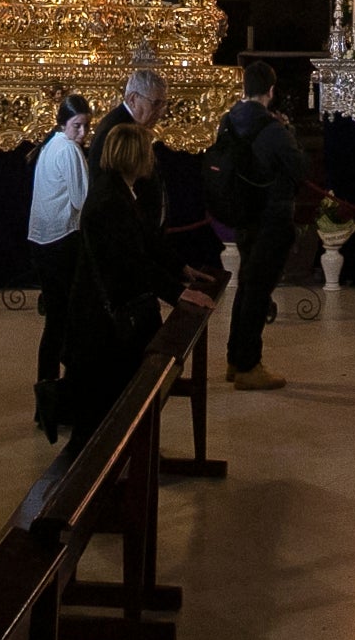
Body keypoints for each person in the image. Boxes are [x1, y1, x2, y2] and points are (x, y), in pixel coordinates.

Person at [61, 121, 218, 442]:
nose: (153, 160)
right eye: (147, 152)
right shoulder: (108, 201)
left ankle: (127, 459)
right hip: (102, 324)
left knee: (117, 400)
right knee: (102, 408)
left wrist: (182, 268)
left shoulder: (119, 190)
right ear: (134, 156)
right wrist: (179, 294)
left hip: (111, 315)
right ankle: (107, 474)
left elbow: (148, 241)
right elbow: (133, 263)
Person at [218, 61, 302, 391]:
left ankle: (234, 359)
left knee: (246, 285)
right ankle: (249, 365)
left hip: (242, 215)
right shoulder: (272, 129)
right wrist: (288, 131)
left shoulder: (229, 120)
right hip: (271, 217)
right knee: (258, 290)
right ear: (271, 90)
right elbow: (299, 169)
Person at [29, 91, 94, 440]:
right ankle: (57, 398)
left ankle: (49, 399)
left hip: (42, 241)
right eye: (77, 126)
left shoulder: (52, 144)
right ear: (63, 123)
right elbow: (82, 200)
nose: (82, 133)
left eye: (86, 126)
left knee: (56, 323)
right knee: (65, 323)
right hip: (61, 242)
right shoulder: (67, 150)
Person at [91, 69, 171, 226]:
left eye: (163, 104)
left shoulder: (129, 124)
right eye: (155, 104)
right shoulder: (116, 129)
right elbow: (108, 186)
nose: (160, 112)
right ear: (133, 99)